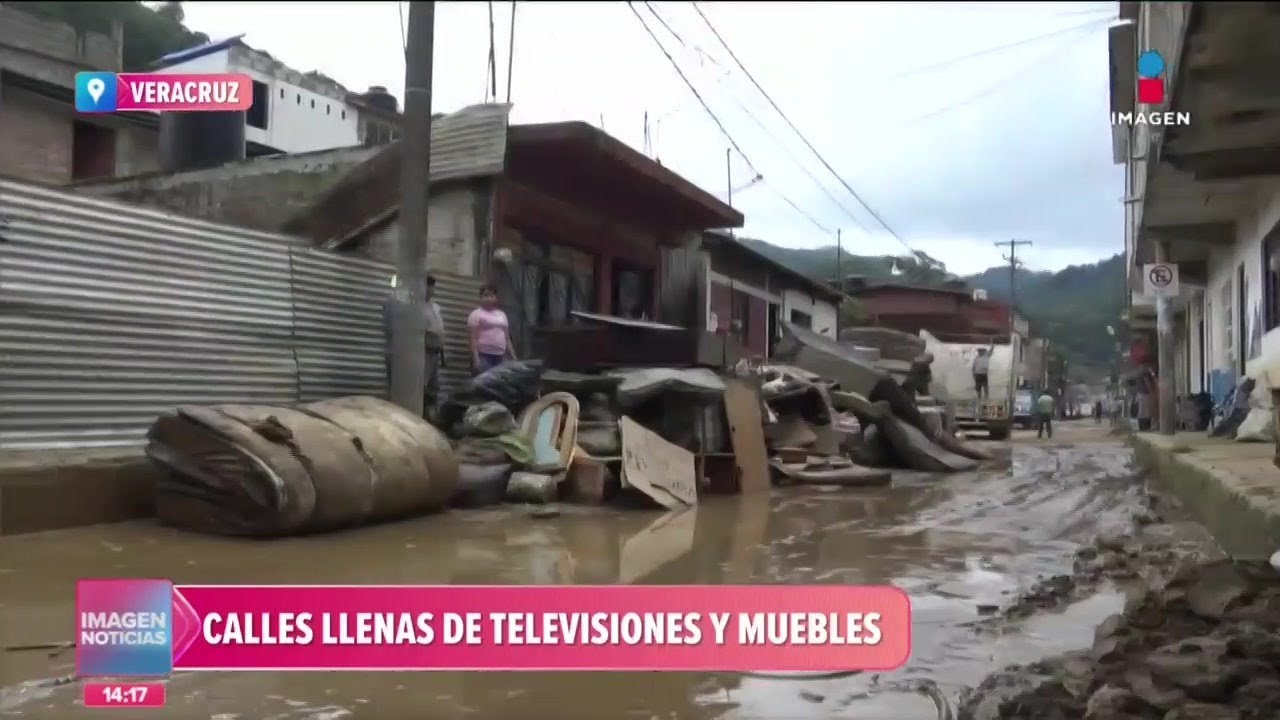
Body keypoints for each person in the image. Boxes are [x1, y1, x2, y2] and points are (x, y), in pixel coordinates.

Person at [382, 275, 446, 415]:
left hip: (433, 354)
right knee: (414, 389)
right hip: (418, 352)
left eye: (432, 286)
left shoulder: (434, 306)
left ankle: (429, 419)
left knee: (432, 390)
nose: (431, 289)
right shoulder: (404, 304)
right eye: (428, 286)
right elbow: (396, 328)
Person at [467, 284, 516, 375]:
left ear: (495, 298)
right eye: (486, 295)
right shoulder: (476, 314)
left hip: (500, 356)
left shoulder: (502, 314)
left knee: (499, 382)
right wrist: (476, 358)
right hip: (484, 355)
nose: (489, 298)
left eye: (491, 296)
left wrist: (513, 357)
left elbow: (507, 339)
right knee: (485, 381)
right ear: (480, 297)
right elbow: (473, 339)